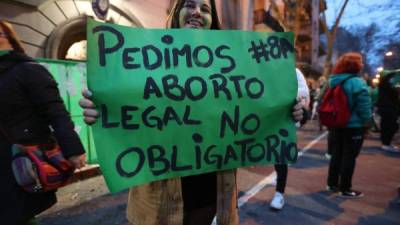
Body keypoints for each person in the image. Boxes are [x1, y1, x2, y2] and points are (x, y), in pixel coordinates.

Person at [80, 0, 305, 224]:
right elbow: (124, 106)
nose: (197, 12)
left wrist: (291, 112)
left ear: (212, 21)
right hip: (159, 203)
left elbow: (261, 110)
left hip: (211, 198)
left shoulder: (234, 67)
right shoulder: (148, 61)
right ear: (176, 12)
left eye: (205, 9)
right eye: (189, 5)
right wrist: (99, 111)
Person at [0, 20, 86, 225]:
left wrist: (73, 150)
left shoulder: (27, 69)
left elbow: (55, 112)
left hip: (19, 160)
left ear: (7, 38)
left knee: (17, 215)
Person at [326, 52, 371, 198]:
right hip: (353, 125)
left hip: (336, 123)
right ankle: (345, 188)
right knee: (349, 156)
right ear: (356, 66)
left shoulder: (333, 80)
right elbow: (364, 108)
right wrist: (367, 123)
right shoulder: (358, 83)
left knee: (336, 154)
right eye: (360, 62)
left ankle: (332, 184)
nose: (362, 64)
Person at [270, 68, 310, 210]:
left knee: (280, 159)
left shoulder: (293, 72)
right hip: (257, 124)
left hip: (281, 124)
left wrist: (299, 108)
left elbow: (303, 95)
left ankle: (279, 192)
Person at [376, 69, 400, 152]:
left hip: (386, 105)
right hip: (389, 106)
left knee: (388, 124)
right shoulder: (393, 77)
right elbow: (395, 89)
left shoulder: (387, 79)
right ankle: (386, 143)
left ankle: (386, 143)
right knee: (390, 125)